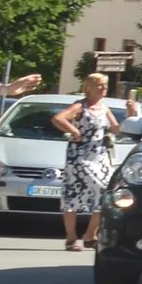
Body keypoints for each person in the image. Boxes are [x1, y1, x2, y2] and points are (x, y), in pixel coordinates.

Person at [53, 72, 137, 252]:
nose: (103, 88)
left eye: (105, 85)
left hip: (100, 156)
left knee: (106, 195)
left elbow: (116, 129)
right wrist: (74, 131)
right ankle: (71, 237)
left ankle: (91, 234)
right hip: (80, 157)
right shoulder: (80, 106)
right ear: (89, 87)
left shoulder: (104, 108)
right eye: (99, 85)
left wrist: (130, 115)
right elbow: (58, 118)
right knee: (73, 197)